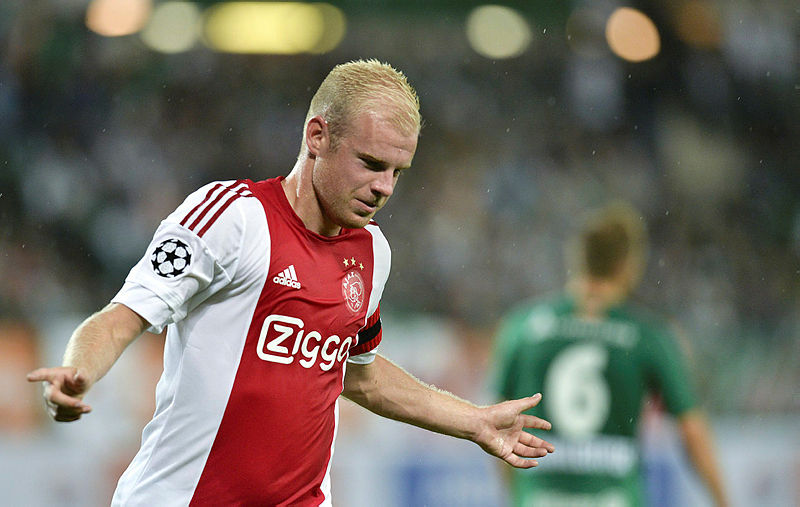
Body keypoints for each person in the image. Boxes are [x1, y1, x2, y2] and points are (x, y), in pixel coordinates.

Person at [27, 59, 554, 506]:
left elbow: (359, 373)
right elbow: (121, 318)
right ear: (317, 136)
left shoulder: (372, 252)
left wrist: (473, 421)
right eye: (371, 164)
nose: (384, 188)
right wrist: (78, 370)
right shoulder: (232, 218)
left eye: (398, 171)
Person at [491, 203, 728, 507]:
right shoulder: (647, 336)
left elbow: (497, 422)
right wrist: (723, 501)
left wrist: (516, 496)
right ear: (628, 264)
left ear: (577, 258)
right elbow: (691, 430)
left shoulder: (522, 327)